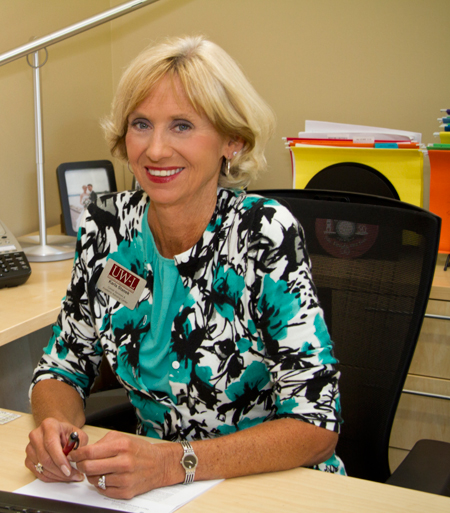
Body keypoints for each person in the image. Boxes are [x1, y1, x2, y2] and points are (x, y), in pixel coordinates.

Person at [25, 35, 344, 500]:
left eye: (181, 126)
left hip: (274, 488)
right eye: (141, 124)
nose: (155, 150)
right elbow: (64, 365)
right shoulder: (106, 227)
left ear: (231, 140)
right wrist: (55, 429)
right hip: (151, 491)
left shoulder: (262, 234)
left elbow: (316, 427)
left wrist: (178, 462)